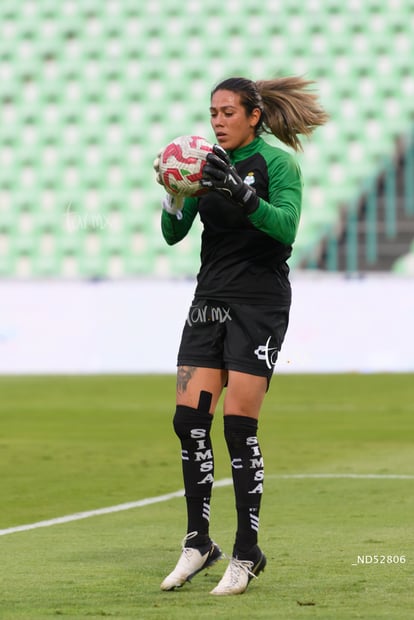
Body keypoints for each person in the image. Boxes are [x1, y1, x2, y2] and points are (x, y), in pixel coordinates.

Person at [153, 75, 328, 595]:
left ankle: (248, 552)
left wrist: (241, 192)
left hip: (259, 303)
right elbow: (173, 234)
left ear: (254, 115)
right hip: (209, 301)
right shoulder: (204, 161)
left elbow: (286, 228)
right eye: (213, 113)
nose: (218, 121)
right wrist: (174, 195)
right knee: (189, 422)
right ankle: (198, 543)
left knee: (237, 428)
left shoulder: (277, 164)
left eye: (228, 112)